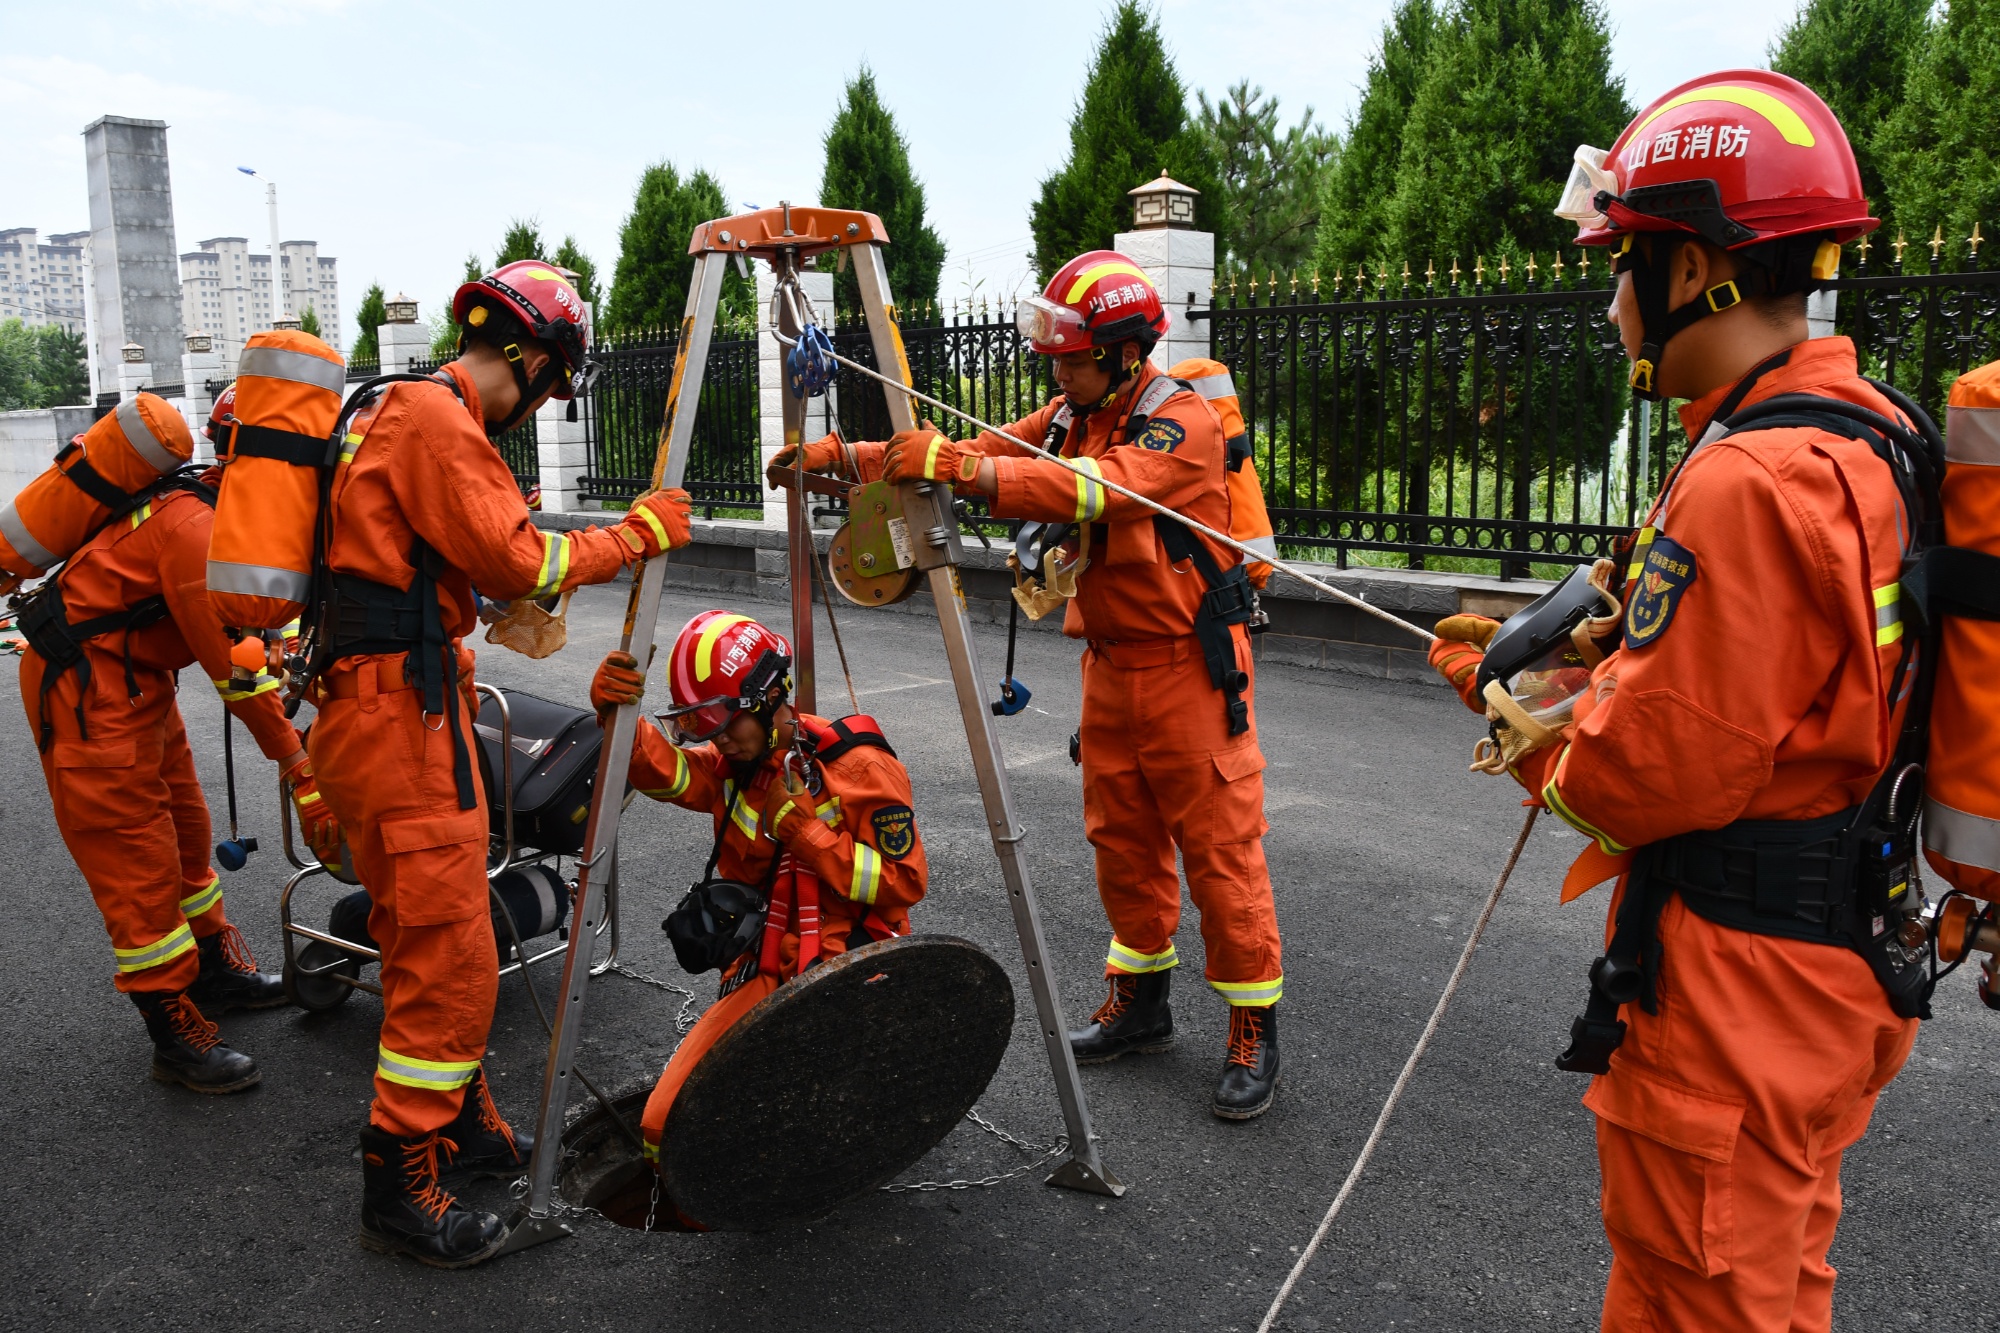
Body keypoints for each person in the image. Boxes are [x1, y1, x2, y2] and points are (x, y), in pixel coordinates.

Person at [1432, 70, 1919, 1331]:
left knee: (1701, 1296)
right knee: (1761, 1278)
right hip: (1831, 966)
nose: (1609, 305)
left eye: (1623, 266)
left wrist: (1508, 706)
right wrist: (1584, 665)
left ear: (1697, 265)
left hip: (1735, 993)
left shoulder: (1742, 479)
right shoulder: (1869, 438)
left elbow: (1635, 780)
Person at [772, 251, 1282, 1120]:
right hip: (1110, 668)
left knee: (1220, 853)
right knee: (1120, 840)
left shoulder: (1179, 426)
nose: (1058, 370)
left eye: (1073, 356)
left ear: (1124, 352)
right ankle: (1143, 997)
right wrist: (842, 456)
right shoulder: (1070, 412)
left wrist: (966, 472)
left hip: (1191, 668)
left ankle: (1252, 1023)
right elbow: (972, 447)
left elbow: (1096, 490)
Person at [305, 260, 694, 1268]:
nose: (545, 402)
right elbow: (527, 564)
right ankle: (400, 1180)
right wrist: (634, 536)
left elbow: (422, 566)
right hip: (400, 719)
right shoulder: (439, 420)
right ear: (528, 357)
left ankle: (462, 1122)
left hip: (375, 712)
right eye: (552, 383)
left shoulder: (379, 407)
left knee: (423, 934)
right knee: (451, 950)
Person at [12, 393, 338, 1094]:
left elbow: (253, 644)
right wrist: (303, 774)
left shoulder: (216, 516)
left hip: (133, 679)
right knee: (137, 856)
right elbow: (240, 680)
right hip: (85, 688)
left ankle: (214, 973)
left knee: (188, 829)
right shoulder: (195, 529)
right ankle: (171, 1031)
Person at [590, 609, 928, 1222]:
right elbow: (667, 773)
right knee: (663, 1128)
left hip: (847, 975)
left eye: (725, 721)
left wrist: (802, 831)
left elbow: (905, 882)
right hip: (765, 968)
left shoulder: (858, 767)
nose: (716, 739)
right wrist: (617, 719)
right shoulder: (737, 764)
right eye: (702, 725)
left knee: (748, 1119)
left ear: (772, 697)